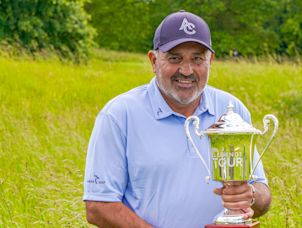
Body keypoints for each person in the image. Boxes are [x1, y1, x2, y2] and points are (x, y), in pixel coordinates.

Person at [83, 10, 272, 228]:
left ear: (211, 60)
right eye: (175, 58)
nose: (186, 70)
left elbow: (263, 196)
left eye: (197, 59)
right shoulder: (119, 114)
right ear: (154, 61)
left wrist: (249, 195)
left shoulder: (232, 109)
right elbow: (98, 206)